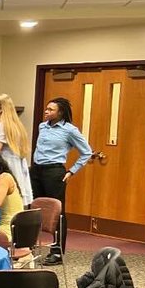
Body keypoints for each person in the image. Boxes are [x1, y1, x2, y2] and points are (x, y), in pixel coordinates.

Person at [31, 96, 92, 264]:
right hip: (36, 170)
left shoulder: (70, 130)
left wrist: (71, 171)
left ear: (61, 113)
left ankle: (57, 252)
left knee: (57, 212)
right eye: (46, 109)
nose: (46, 112)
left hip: (54, 171)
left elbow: (87, 152)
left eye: (51, 110)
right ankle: (30, 247)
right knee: (34, 210)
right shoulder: (42, 126)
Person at [0, 94, 33, 206]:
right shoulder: (17, 126)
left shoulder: (1, 127)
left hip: (5, 169)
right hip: (17, 168)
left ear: (0, 110)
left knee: (2, 204)